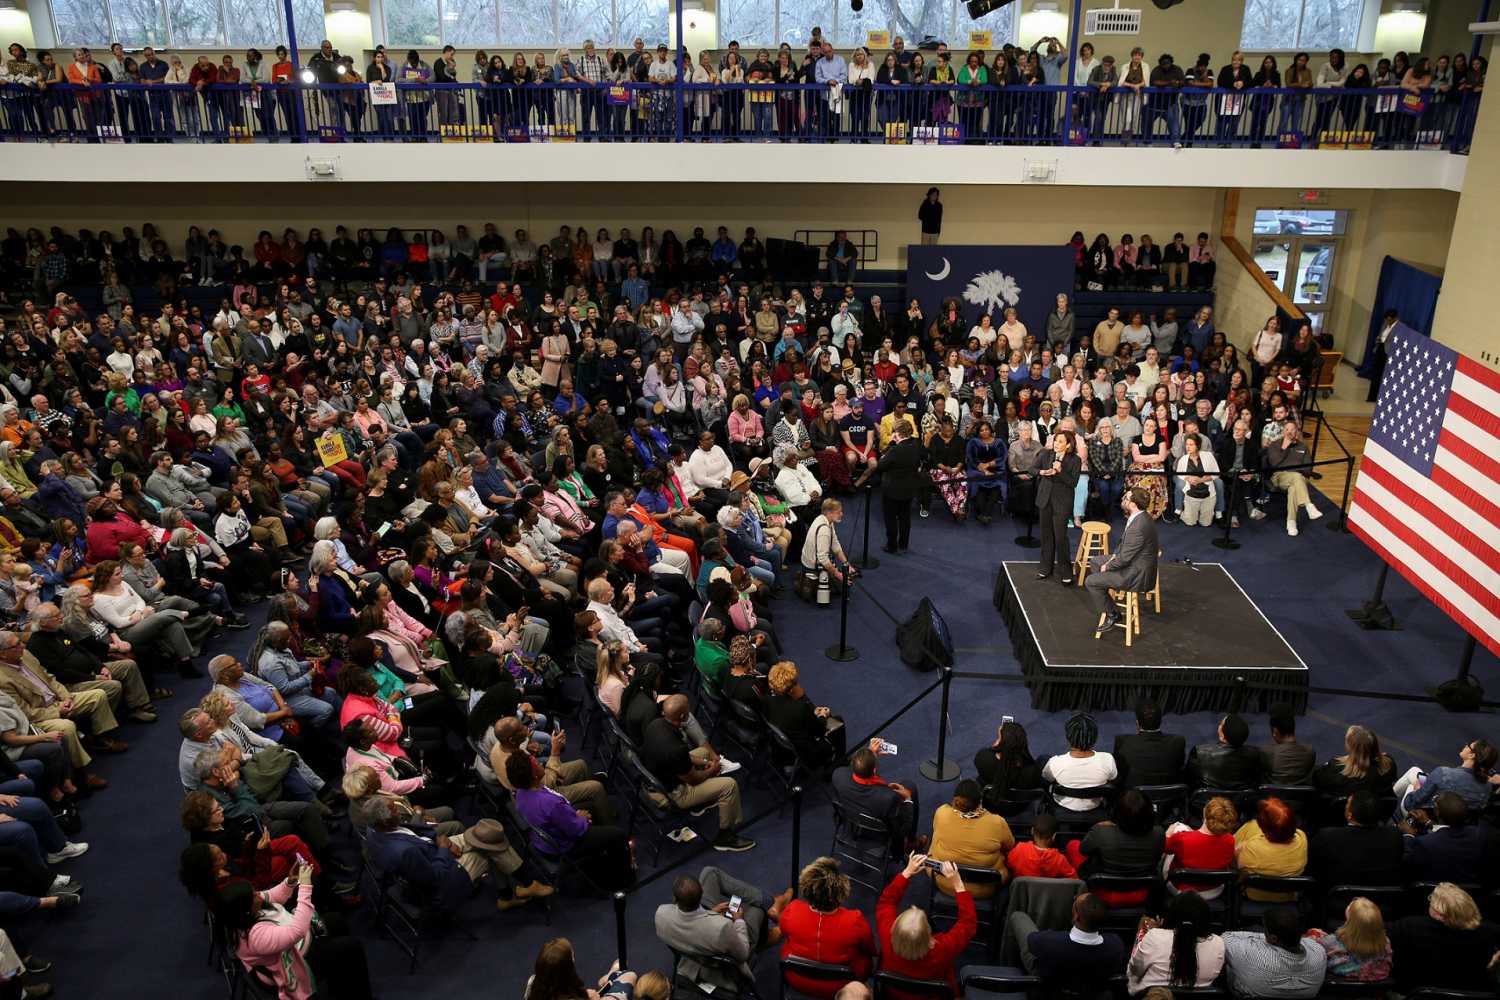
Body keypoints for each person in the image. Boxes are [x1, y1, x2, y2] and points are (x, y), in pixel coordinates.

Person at [210, 866, 373, 1000]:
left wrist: (291, 881)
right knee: (351, 947)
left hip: (291, 946)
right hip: (293, 963)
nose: (259, 896)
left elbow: (272, 895)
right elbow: (297, 932)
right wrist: (305, 886)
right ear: (244, 910)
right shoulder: (255, 937)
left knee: (335, 920)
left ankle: (341, 983)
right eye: (254, 896)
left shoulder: (243, 913)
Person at [639, 695, 755, 853]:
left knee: (703, 752)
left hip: (656, 779)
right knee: (729, 785)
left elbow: (684, 758)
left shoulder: (656, 724)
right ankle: (725, 837)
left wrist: (704, 762)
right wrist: (712, 770)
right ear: (683, 716)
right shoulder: (676, 750)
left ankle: (702, 800)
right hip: (671, 794)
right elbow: (694, 779)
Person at [505, 750, 633, 892]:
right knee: (619, 835)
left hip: (543, 839)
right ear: (534, 775)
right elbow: (576, 830)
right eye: (536, 763)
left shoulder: (521, 792)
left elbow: (559, 816)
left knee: (591, 806)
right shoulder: (550, 804)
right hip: (565, 845)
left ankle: (604, 853)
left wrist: (572, 815)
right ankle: (625, 880)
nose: (540, 763)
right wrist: (580, 818)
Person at [654, 867, 792, 991]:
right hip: (720, 968)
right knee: (757, 911)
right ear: (701, 896)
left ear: (675, 899)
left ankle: (770, 902)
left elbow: (692, 925)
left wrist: (710, 912)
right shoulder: (722, 928)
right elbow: (743, 953)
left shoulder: (661, 914)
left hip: (699, 934)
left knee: (710, 873)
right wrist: (738, 920)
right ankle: (765, 935)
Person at [778, 857, 877, 998]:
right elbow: (870, 950)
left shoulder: (792, 910)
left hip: (797, 980)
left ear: (806, 888)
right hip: (840, 986)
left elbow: (785, 934)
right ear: (841, 892)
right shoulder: (854, 920)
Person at [876, 854, 974, 995]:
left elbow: (886, 902)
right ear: (930, 937)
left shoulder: (887, 936)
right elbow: (968, 924)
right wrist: (958, 883)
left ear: (895, 928)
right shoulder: (942, 949)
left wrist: (907, 872)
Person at [1388, 882, 1500, 992]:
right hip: (1474, 991)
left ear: (1438, 914)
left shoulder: (1409, 927)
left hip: (1416, 992)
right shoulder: (1491, 932)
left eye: (1431, 901)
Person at [1011, 891, 1123, 996]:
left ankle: (1007, 964)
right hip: (1091, 992)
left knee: (1018, 916)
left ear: (1076, 916)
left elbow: (1031, 941)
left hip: (1049, 989)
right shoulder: (1115, 946)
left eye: (1075, 902)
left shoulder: (1048, 942)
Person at [1083, 487, 1158, 632]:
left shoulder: (1138, 526)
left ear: (1133, 505)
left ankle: (1113, 614)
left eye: (1126, 498)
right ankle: (1106, 594)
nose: (1123, 499)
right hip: (1133, 561)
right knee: (1095, 562)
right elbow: (1124, 547)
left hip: (1136, 573)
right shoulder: (1140, 516)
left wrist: (1108, 566)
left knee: (1091, 581)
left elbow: (1125, 558)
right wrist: (1113, 558)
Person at [1126, 891, 1226, 994]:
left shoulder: (1153, 936)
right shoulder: (1218, 943)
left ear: (1172, 915)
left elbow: (1134, 970)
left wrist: (1141, 935)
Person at [928, 779, 1014, 897]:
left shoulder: (941, 813)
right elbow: (1009, 846)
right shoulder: (997, 822)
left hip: (945, 883)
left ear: (955, 800)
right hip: (986, 888)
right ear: (980, 802)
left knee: (935, 839)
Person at [833, 743, 920, 854]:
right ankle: (911, 843)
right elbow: (902, 831)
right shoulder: (888, 798)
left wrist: (869, 754)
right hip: (877, 834)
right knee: (910, 786)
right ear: (874, 771)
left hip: (852, 821)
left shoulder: (838, 775)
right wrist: (908, 799)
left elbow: (850, 770)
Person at [1222, 906, 1326, 998]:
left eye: (1264, 929)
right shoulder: (1319, 951)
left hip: (1248, 992)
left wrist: (1259, 938)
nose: (1263, 931)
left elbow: (1226, 937)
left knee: (1229, 959)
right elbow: (1307, 941)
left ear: (1273, 938)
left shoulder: (1252, 955)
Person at [1234, 798, 1308, 901]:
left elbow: (1234, 864)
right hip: (1287, 896)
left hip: (1253, 896)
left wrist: (1241, 847)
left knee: (1250, 825)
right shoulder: (1302, 839)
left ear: (1263, 829)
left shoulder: (1252, 847)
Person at [1041, 712, 1116, 812]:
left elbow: (1046, 779)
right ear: (1095, 737)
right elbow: (1113, 777)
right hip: (1095, 806)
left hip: (1061, 805)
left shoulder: (1054, 763)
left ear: (1068, 737)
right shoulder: (1107, 760)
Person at [1306, 897, 1393, 983]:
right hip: (1376, 982)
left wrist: (1314, 934)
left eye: (1350, 907)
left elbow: (1314, 953)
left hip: (1339, 982)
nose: (1349, 905)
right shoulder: (1385, 942)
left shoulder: (1333, 941)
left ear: (1351, 921)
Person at [1033, 429, 1080, 583]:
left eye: (1060, 441)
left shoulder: (1075, 460)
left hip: (1062, 503)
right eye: (1055, 440)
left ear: (1068, 445)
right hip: (1045, 500)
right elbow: (1031, 469)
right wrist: (1042, 471)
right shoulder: (1046, 454)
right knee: (1046, 536)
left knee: (1060, 537)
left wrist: (1060, 471)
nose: (1056, 444)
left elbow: (1073, 482)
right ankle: (1045, 568)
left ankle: (1065, 571)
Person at [1113, 697, 1185, 788]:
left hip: (1134, 797)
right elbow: (1179, 766)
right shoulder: (1178, 742)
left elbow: (1119, 771)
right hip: (1168, 797)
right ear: (1161, 722)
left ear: (1137, 723)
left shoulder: (1122, 742)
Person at [874, 417, 921, 555]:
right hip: (909, 488)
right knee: (905, 518)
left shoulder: (895, 451)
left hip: (892, 490)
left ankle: (892, 545)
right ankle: (904, 544)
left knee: (891, 519)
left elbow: (880, 466)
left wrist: (890, 447)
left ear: (898, 433)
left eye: (894, 431)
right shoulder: (916, 444)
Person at [1187, 713, 1261, 790]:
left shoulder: (1199, 753)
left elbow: (1189, 781)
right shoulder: (1254, 754)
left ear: (1222, 736)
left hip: (1208, 801)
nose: (1219, 726)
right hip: (1241, 801)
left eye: (1221, 724)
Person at [1259, 703, 1316, 786]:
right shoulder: (1310, 752)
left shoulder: (1266, 752)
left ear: (1275, 732)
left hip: (1275, 797)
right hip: (1301, 797)